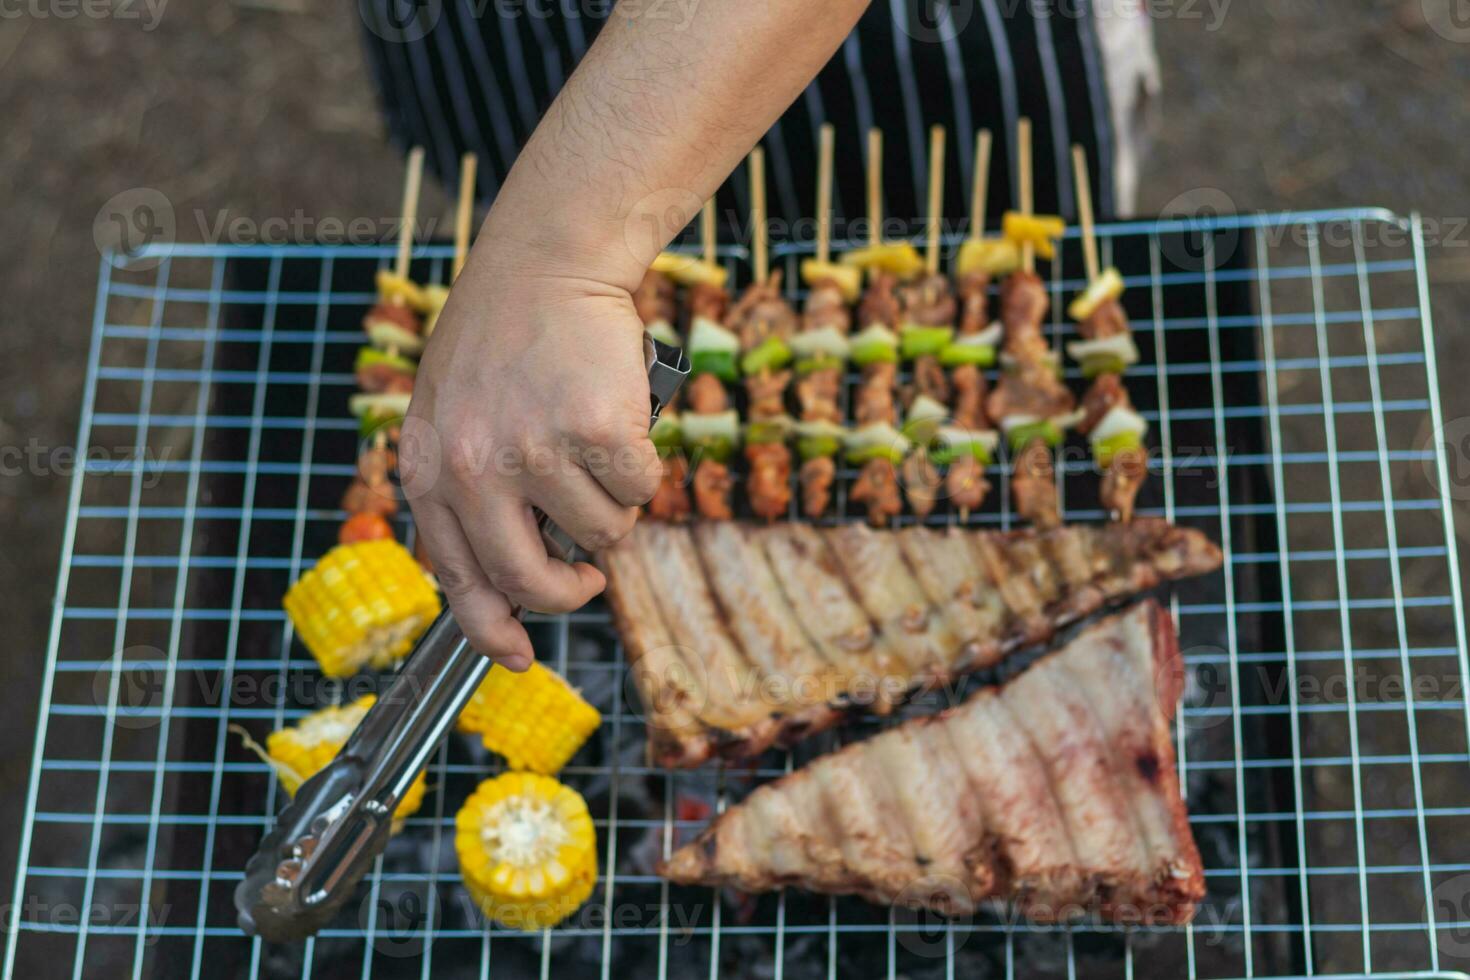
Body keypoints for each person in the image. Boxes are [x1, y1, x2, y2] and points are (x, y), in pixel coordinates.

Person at [373, 0, 1160, 670]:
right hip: (492, 41)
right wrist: (539, 256)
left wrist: (551, 260)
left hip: (899, 54)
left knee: (968, 235)